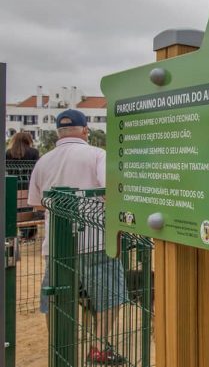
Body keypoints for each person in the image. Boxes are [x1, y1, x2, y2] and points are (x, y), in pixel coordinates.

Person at [27, 109, 127, 364]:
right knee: (110, 295)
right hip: (95, 240)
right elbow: (109, 191)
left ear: (58, 133)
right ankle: (98, 346)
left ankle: (59, 346)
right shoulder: (97, 155)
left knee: (56, 296)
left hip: (57, 244)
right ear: (85, 130)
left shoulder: (43, 161)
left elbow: (37, 204)